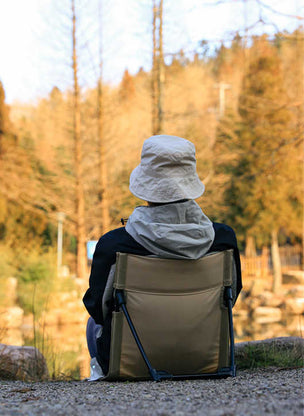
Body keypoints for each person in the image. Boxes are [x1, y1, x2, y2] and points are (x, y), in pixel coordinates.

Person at [82, 134, 242, 381]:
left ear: (147, 186)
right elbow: (230, 299)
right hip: (205, 359)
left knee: (93, 326)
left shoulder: (114, 245)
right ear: (189, 183)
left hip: (130, 362)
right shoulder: (223, 240)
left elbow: (98, 309)